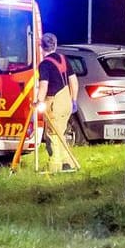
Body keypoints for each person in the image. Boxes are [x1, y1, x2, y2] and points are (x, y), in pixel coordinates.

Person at [36, 33, 81, 171]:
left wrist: (38, 101)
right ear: (55, 45)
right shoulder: (63, 59)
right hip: (66, 100)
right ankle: (68, 163)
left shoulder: (45, 64)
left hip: (54, 102)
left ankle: (55, 166)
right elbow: (74, 81)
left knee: (53, 134)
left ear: (41, 46)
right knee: (61, 133)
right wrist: (73, 100)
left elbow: (44, 85)